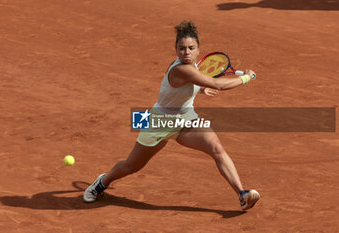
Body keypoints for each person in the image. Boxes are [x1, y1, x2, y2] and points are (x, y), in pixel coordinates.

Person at [83, 20, 260, 211]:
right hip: (159, 122)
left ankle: (242, 194)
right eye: (181, 48)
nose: (186, 52)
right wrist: (246, 77)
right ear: (176, 49)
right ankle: (102, 182)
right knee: (131, 166)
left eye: (191, 48)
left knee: (216, 148)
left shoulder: (191, 67)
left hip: (186, 119)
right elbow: (217, 84)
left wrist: (199, 89)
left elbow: (187, 84)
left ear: (198, 50)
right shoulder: (180, 68)